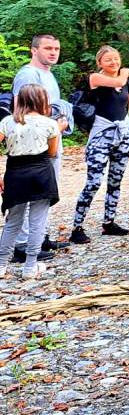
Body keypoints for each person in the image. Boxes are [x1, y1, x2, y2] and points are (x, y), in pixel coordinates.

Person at [71, 46, 129, 239]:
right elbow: (118, 80)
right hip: (101, 136)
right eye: (108, 59)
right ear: (99, 63)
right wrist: (125, 72)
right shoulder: (95, 78)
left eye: (116, 59)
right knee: (93, 182)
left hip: (123, 135)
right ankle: (77, 226)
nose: (114, 63)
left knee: (115, 181)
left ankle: (109, 222)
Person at [11, 34, 68, 260]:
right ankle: (22, 245)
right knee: (31, 193)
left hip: (53, 137)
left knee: (45, 192)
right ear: (34, 50)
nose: (53, 52)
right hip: (35, 144)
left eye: (56, 48)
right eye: (47, 48)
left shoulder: (48, 74)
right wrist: (54, 125)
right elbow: (22, 111)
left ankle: (39, 236)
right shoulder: (28, 74)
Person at [0, 85, 61, 280]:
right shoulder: (50, 124)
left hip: (15, 173)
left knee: (13, 221)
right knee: (37, 222)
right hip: (41, 172)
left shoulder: (7, 122)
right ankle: (30, 267)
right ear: (42, 101)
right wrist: (59, 131)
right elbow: (52, 153)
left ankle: (1, 265)